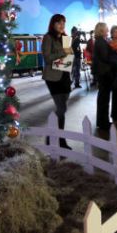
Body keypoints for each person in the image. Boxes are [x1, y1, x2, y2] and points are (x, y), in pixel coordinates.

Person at [41, 14, 74, 149]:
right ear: (53, 24)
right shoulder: (48, 38)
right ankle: (59, 140)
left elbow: (71, 55)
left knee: (62, 109)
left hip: (65, 75)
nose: (62, 25)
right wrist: (62, 53)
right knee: (61, 108)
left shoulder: (66, 38)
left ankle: (54, 137)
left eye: (63, 23)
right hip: (53, 77)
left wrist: (68, 55)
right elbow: (47, 58)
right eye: (59, 23)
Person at [92, 22, 115, 130]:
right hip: (104, 72)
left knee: (103, 98)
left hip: (102, 72)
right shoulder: (101, 42)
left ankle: (102, 121)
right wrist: (116, 56)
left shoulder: (100, 41)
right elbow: (105, 57)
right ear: (101, 30)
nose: (108, 29)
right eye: (106, 28)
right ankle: (103, 123)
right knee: (104, 99)